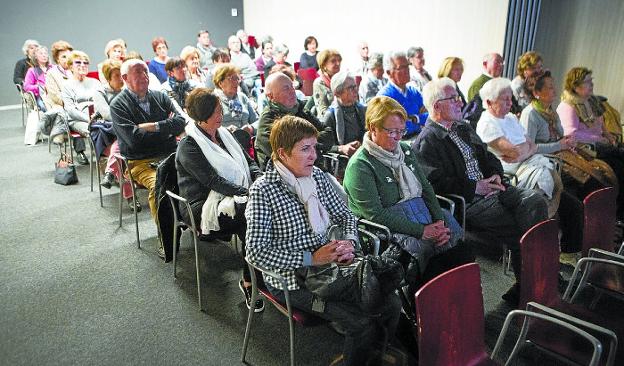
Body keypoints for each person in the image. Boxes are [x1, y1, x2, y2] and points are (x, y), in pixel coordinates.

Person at [245, 115, 401, 366]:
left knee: (391, 304)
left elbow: (345, 215)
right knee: (360, 323)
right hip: (292, 280)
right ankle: (361, 354)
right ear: (283, 154)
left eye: (314, 148)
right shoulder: (263, 191)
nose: (314, 156)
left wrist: (349, 242)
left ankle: (369, 356)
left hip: (332, 265)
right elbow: (256, 253)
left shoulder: (316, 176)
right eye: (305, 149)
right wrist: (311, 258)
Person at [412, 77, 548, 304]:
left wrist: (495, 174)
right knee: (522, 229)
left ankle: (532, 282)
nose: (459, 102)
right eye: (453, 99)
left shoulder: (463, 128)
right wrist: (476, 186)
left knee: (536, 200)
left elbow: (488, 156)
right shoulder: (427, 142)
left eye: (458, 97)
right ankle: (534, 283)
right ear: (437, 106)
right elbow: (436, 184)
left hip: (495, 188)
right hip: (471, 202)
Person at [343, 95, 473, 289]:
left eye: (401, 131)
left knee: (461, 250)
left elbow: (426, 189)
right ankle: (426, 297)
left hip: (419, 212)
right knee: (437, 257)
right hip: (388, 227)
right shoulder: (360, 166)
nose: (398, 137)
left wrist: (438, 221)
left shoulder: (405, 150)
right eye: (392, 131)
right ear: (373, 128)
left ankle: (451, 298)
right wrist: (422, 231)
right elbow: (374, 214)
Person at [176, 87, 264, 311]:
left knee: (256, 214)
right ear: (203, 115)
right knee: (253, 218)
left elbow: (250, 162)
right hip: (202, 205)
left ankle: (260, 274)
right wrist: (251, 192)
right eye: (216, 111)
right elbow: (213, 181)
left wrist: (258, 179)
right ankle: (250, 280)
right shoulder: (189, 146)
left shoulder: (225, 135)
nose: (221, 114)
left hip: (231, 196)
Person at [520, 70, 617, 264]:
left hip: (561, 157)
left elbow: (559, 138)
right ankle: (572, 247)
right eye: (549, 87)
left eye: (553, 85)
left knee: (602, 174)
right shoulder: (530, 114)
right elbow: (529, 150)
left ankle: (594, 232)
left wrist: (566, 141)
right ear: (537, 93)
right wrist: (560, 145)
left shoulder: (550, 110)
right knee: (587, 186)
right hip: (546, 164)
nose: (554, 89)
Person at [111, 59, 186, 257]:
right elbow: (134, 140)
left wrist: (153, 126)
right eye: (138, 72)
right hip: (140, 162)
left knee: (200, 175)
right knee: (159, 185)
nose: (144, 76)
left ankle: (200, 224)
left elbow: (181, 122)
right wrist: (167, 130)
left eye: (145, 72)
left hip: (171, 154)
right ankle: (167, 237)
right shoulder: (118, 105)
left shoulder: (160, 97)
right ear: (125, 78)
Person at [476, 77, 562, 217]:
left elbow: (532, 145)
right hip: (509, 171)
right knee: (543, 181)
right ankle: (539, 224)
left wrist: (523, 151)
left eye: (511, 98)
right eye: (505, 99)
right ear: (489, 102)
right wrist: (525, 149)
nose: (511, 103)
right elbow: (515, 152)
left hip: (526, 162)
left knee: (554, 181)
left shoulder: (511, 117)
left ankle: (546, 223)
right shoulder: (487, 123)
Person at [557, 67, 624, 218]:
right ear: (576, 86)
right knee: (618, 167)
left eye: (591, 80)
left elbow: (601, 124)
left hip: (601, 144)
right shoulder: (568, 106)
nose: (592, 84)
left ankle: (618, 212)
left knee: (620, 159)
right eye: (587, 82)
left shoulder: (592, 101)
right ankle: (617, 213)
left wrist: (608, 135)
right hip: (583, 149)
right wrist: (599, 139)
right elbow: (571, 134)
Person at [255, 72, 328, 170]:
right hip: (284, 176)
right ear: (271, 96)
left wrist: (307, 144)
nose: (292, 91)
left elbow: (328, 132)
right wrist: (312, 144)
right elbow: (283, 155)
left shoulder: (300, 110)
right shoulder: (268, 120)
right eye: (286, 88)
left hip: (314, 168)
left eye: (292, 86)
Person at [92, 60, 139, 210]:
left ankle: (110, 173)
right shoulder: (100, 93)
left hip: (128, 136)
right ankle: (131, 197)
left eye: (122, 75)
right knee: (122, 152)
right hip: (106, 137)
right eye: (117, 76)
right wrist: (127, 120)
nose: (121, 79)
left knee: (122, 143)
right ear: (108, 78)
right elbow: (107, 114)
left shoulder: (129, 90)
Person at [61, 50, 103, 165]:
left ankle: (108, 158)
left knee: (110, 128)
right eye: (78, 63)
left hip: (97, 116)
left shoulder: (95, 82)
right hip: (77, 119)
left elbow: (103, 102)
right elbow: (70, 110)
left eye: (85, 63)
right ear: (71, 66)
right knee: (94, 129)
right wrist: (88, 119)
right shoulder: (67, 85)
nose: (82, 65)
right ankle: (97, 157)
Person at [377, 50, 428, 138]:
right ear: (389, 73)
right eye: (401, 68)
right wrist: (419, 119)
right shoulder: (385, 97)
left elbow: (430, 115)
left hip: (419, 137)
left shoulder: (413, 91)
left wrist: (415, 118)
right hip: (399, 144)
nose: (407, 71)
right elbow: (394, 128)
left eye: (407, 66)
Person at [320, 71, 366, 158]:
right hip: (342, 162)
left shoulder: (362, 110)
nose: (355, 90)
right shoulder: (330, 115)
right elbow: (321, 145)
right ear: (338, 92)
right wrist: (341, 148)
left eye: (355, 86)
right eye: (350, 88)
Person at [212, 64, 257, 133]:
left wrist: (251, 128)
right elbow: (210, 127)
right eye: (232, 78)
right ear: (220, 83)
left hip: (246, 138)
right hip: (225, 140)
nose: (236, 82)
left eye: (237, 78)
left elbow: (256, 121)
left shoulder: (242, 97)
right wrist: (226, 131)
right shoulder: (213, 100)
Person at [43, 40, 73, 111]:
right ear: (57, 59)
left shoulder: (73, 71)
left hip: (73, 105)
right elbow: (55, 96)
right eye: (64, 57)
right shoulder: (51, 73)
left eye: (69, 56)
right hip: (58, 106)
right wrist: (70, 103)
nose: (67, 59)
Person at [313, 49, 342, 119]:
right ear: (323, 65)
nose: (338, 63)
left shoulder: (342, 80)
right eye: (333, 61)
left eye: (339, 60)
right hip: (330, 122)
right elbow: (322, 112)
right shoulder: (319, 83)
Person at [23, 46, 52, 112]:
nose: (44, 55)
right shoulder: (32, 71)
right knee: (45, 107)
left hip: (55, 94)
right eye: (41, 53)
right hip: (42, 96)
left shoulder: (53, 68)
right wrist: (39, 87)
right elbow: (26, 87)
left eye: (45, 53)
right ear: (36, 57)